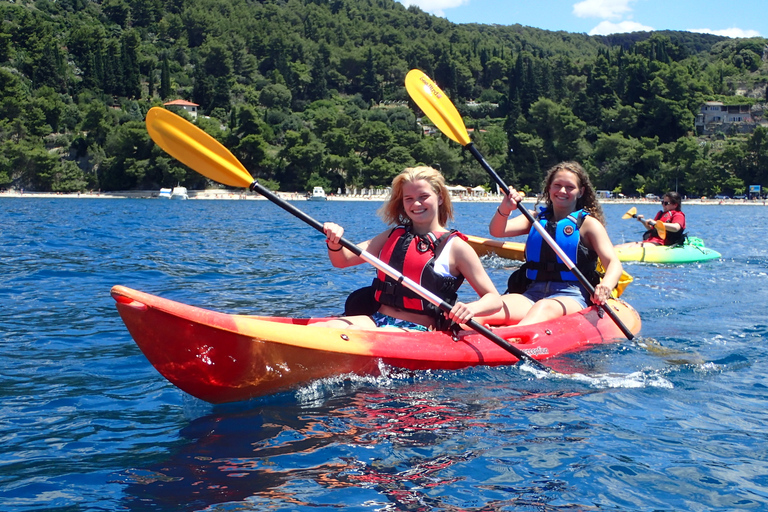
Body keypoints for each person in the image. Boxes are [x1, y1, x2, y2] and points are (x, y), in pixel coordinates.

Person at [320, 166, 502, 331]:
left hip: (417, 329)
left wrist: (471, 308)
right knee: (328, 328)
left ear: (439, 198)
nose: (416, 204)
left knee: (355, 333)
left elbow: (494, 299)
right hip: (377, 319)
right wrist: (334, 242)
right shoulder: (392, 235)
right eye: (409, 198)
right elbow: (342, 260)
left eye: (423, 197)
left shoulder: (456, 247)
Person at [476, 161, 624, 327]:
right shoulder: (534, 218)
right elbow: (497, 231)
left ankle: (509, 336)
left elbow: (613, 264)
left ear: (581, 192)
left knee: (543, 307)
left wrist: (605, 286)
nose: (562, 191)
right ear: (549, 188)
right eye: (557, 185)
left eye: (570, 187)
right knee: (492, 307)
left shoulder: (588, 224)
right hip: (532, 292)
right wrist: (505, 208)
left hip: (572, 295)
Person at [616, 192, 686, 247]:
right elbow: (652, 229)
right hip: (651, 240)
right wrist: (643, 221)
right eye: (662, 202)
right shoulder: (661, 214)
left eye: (666, 203)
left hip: (663, 243)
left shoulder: (678, 215)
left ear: (675, 205)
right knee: (618, 247)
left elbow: (676, 227)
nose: (663, 205)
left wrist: (656, 223)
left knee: (632, 247)